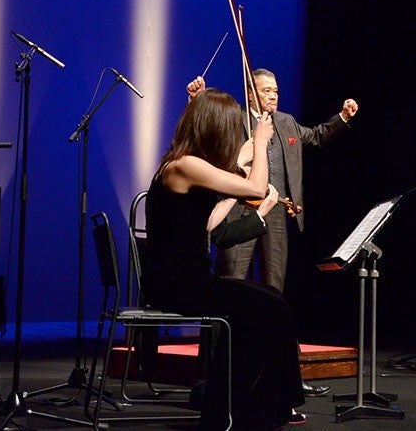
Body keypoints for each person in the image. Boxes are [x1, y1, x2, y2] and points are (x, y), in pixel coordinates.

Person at [142, 88, 305, 430]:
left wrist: (236, 177)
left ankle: (257, 405)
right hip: (180, 286)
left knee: (271, 301)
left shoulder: (184, 165)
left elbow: (206, 224)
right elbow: (258, 190)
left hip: (189, 282)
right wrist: (260, 143)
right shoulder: (184, 166)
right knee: (270, 308)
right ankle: (248, 409)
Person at [188, 69, 358, 397]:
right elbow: (206, 130)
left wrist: (343, 116)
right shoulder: (233, 118)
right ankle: (211, 377)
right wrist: (198, 100)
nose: (273, 95)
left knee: (275, 294)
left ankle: (282, 377)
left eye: (276, 90)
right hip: (237, 210)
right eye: (266, 90)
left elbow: (319, 135)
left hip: (276, 212)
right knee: (229, 287)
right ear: (251, 93)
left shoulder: (286, 122)